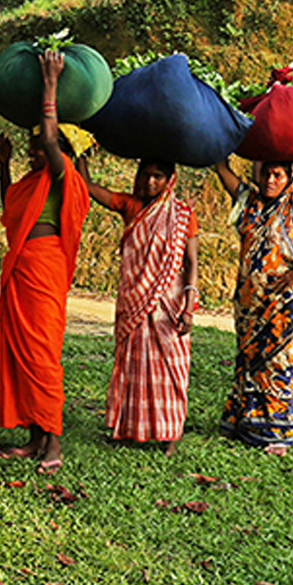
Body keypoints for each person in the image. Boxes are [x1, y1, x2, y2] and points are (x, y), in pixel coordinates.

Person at [0, 51, 89, 473]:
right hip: (21, 267)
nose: (35, 152)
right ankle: (35, 439)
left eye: (39, 149)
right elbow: (11, 214)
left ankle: (53, 443)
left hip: (45, 269)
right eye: (32, 149)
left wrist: (50, 83)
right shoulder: (30, 184)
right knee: (23, 356)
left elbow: (53, 142)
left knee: (41, 355)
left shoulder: (62, 175)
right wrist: (3, 167)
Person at [212, 158, 293, 454]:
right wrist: (220, 148)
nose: (271, 180)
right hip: (249, 304)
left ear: (289, 178)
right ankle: (245, 423)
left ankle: (276, 433)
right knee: (248, 365)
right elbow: (224, 174)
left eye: (278, 175)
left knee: (278, 365)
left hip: (281, 307)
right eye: (266, 174)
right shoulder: (252, 203)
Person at [86, 158, 200, 452]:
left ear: (170, 179)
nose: (150, 182)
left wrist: (188, 305)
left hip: (169, 303)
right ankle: (127, 428)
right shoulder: (131, 206)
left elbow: (191, 262)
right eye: (146, 175)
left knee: (172, 368)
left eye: (158, 176)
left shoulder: (183, 214)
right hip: (134, 301)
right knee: (132, 364)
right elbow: (89, 188)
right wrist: (82, 154)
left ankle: (170, 435)